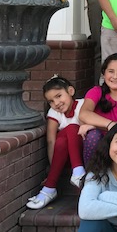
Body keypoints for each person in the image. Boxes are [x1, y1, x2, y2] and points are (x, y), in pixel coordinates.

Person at [26, 76, 92, 209]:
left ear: (71, 91)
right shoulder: (54, 113)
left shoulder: (83, 105)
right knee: (60, 141)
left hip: (85, 153)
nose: (56, 103)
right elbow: (51, 141)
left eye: (59, 96)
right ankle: (75, 174)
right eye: (51, 101)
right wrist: (53, 168)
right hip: (65, 158)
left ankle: (50, 188)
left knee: (72, 129)